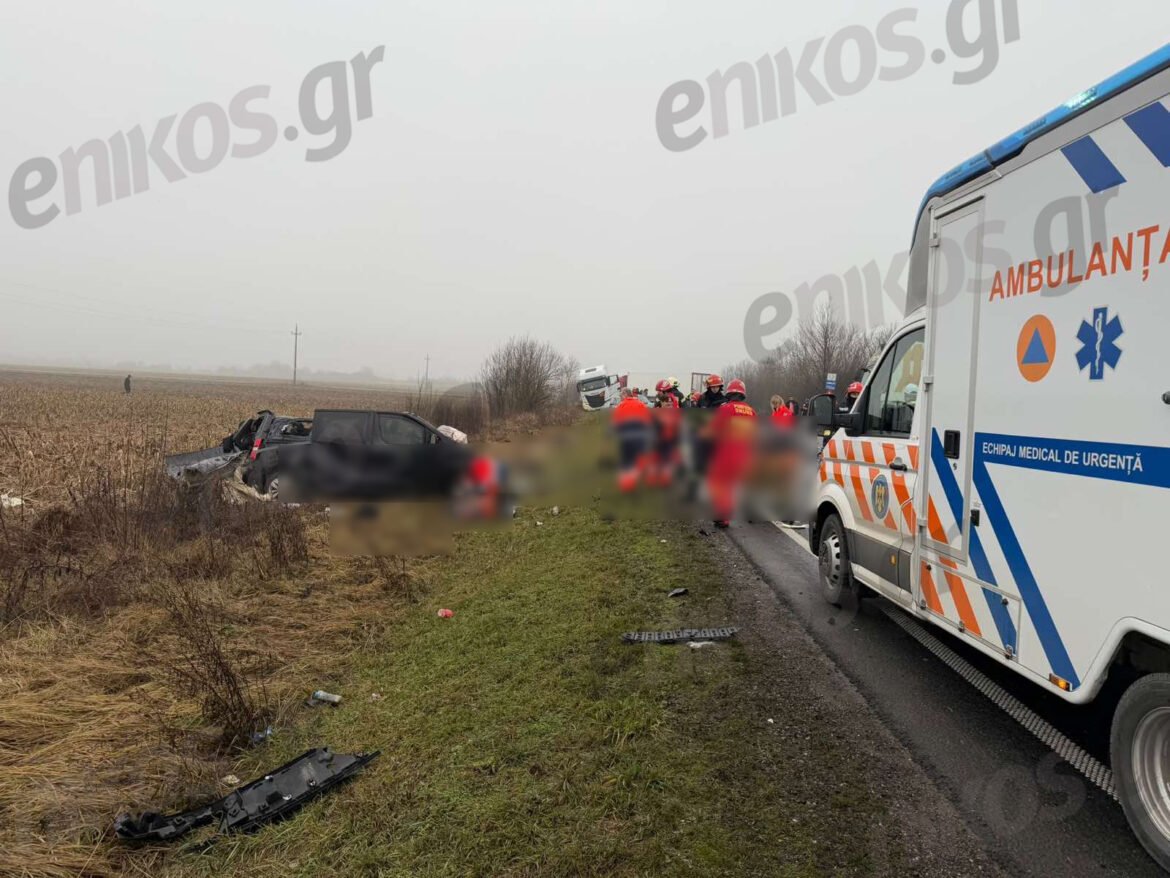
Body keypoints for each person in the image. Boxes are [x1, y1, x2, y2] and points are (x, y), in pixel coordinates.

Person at [705, 379, 757, 527]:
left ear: (729, 393)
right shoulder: (751, 411)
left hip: (726, 452)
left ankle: (723, 516)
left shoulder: (725, 409)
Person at [611, 388, 653, 493]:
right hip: (640, 438)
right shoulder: (641, 404)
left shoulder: (621, 406)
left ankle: (627, 487)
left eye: (621, 395)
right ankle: (646, 483)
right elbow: (648, 422)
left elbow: (616, 424)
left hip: (626, 439)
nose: (620, 397)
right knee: (640, 460)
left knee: (626, 462)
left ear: (625, 395)